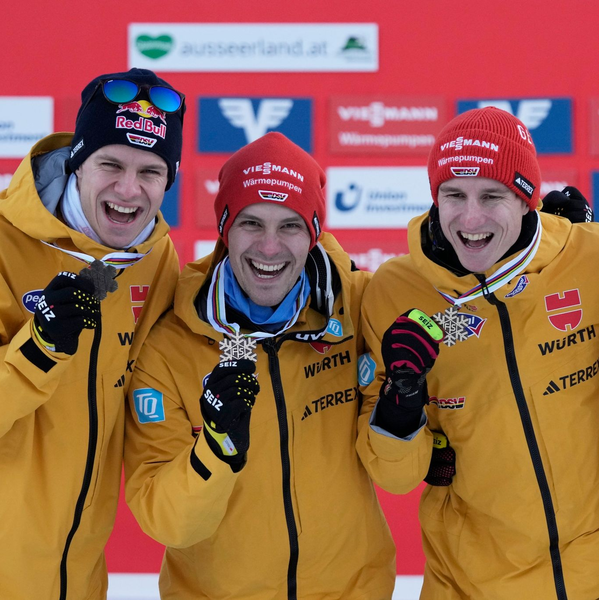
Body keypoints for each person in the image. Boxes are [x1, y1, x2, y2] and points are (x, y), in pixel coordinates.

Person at [355, 107, 599, 599]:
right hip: (471, 586)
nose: (470, 218)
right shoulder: (392, 293)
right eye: (453, 194)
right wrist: (402, 396)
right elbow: (395, 477)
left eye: (493, 195)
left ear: (526, 201)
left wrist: (575, 264)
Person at [123, 132, 396, 600]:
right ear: (225, 229)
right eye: (251, 223)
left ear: (313, 232)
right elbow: (164, 519)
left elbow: (463, 316)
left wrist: (547, 263)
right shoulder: (170, 342)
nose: (269, 249)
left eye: (289, 225)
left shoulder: (360, 305)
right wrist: (215, 450)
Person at [0, 68, 183, 599]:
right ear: (77, 164)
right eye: (110, 164)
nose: (129, 190)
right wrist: (39, 349)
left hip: (76, 575)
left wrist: (324, 261)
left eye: (151, 171)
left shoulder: (153, 258)